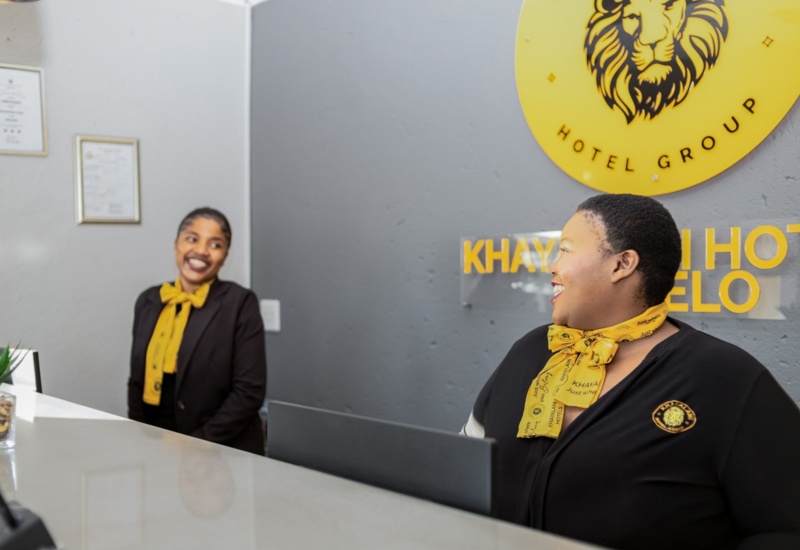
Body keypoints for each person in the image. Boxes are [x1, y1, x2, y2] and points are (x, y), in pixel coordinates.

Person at [463, 194, 800, 549]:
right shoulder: (531, 351)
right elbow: (463, 468)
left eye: (565, 249)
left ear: (622, 264)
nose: (552, 265)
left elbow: (786, 530)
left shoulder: (724, 377)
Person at [128, 207, 267, 455]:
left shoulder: (240, 303)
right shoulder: (149, 300)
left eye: (215, 245)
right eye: (192, 239)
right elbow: (136, 380)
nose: (201, 251)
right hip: (157, 447)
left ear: (224, 256)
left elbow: (249, 392)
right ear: (176, 245)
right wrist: (141, 438)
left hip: (220, 450)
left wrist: (198, 443)